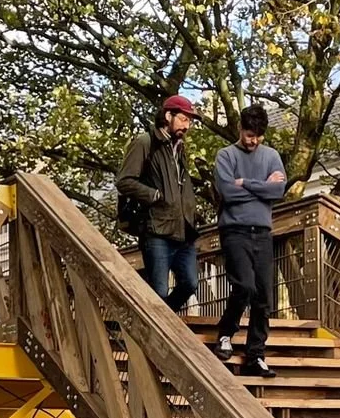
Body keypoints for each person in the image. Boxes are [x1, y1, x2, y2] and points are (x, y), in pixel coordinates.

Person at [212, 104, 287, 378]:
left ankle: (256, 354)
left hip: (263, 232)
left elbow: (278, 190)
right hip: (235, 231)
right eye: (248, 133)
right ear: (240, 129)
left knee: (264, 296)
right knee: (243, 285)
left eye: (257, 135)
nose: (252, 140)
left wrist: (245, 183)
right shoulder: (226, 155)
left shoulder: (271, 156)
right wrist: (261, 187)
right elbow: (227, 193)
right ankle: (226, 333)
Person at [117, 94, 203, 311]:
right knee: (159, 291)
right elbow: (124, 181)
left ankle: (166, 322)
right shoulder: (145, 142)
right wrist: (154, 195)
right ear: (168, 115)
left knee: (190, 283)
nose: (187, 125)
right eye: (184, 119)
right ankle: (158, 330)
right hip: (156, 230)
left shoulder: (179, 148)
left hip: (183, 230)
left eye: (190, 121)